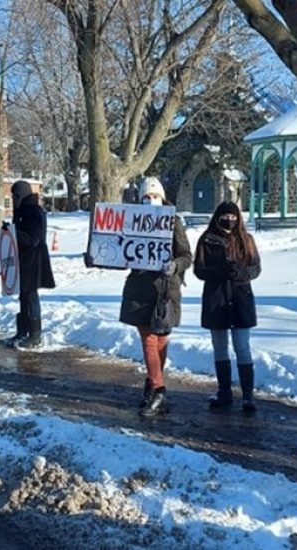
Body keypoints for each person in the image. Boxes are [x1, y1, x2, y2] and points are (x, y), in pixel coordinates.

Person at [119, 176, 192, 417]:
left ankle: (151, 388)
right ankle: (159, 390)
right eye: (147, 197)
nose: (151, 201)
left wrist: (175, 265)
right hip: (140, 290)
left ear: (163, 198)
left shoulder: (173, 222)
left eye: (155, 196)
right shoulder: (132, 222)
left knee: (161, 341)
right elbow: (120, 252)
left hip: (166, 291)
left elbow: (186, 255)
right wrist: (96, 256)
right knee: (149, 340)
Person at [193, 201, 261, 413]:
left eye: (233, 217)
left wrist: (240, 274)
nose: (229, 221)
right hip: (217, 299)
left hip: (240, 298)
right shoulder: (207, 239)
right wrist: (221, 272)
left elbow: (255, 267)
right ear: (218, 216)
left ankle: (248, 395)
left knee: (242, 346)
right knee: (220, 347)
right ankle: (224, 391)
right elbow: (199, 270)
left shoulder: (246, 239)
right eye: (225, 217)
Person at [4, 180, 56, 348]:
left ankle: (34, 334)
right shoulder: (21, 211)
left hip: (34, 260)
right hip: (24, 259)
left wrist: (13, 232)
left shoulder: (33, 212)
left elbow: (33, 239)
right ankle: (23, 331)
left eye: (15, 196)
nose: (13, 199)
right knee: (24, 296)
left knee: (31, 296)